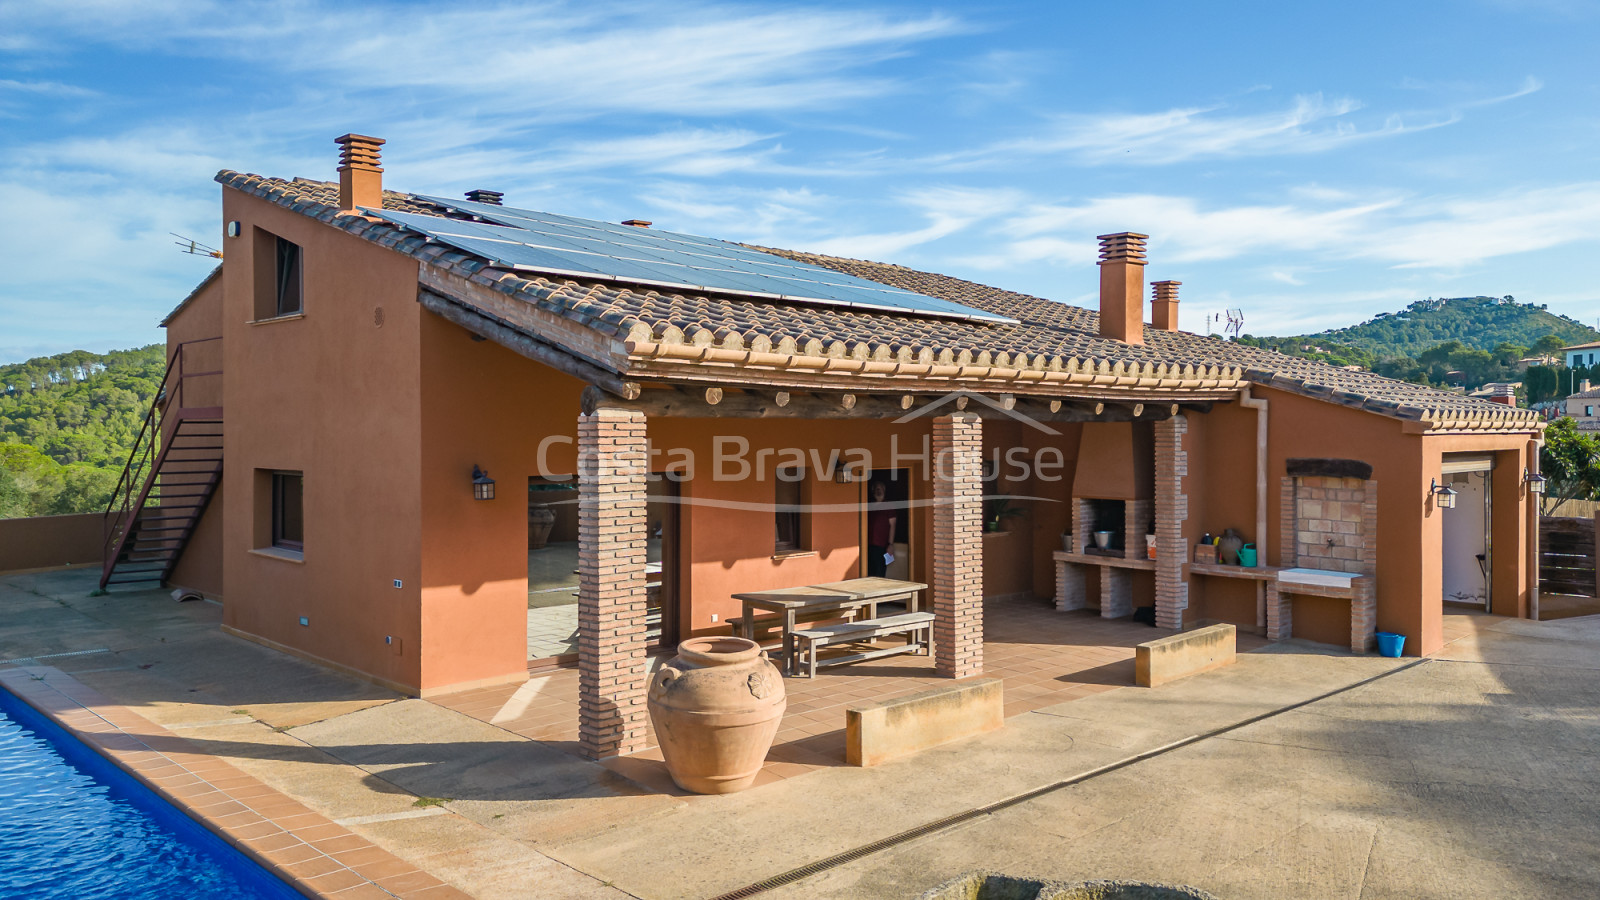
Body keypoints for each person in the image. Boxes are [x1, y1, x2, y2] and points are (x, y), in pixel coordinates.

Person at [866, 480, 897, 578]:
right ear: (873, 490)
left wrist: (890, 544)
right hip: (868, 546)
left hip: (881, 546)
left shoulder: (888, 506)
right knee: (869, 573)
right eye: (877, 489)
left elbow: (893, 525)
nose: (879, 491)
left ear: (884, 490)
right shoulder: (869, 505)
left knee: (879, 573)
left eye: (881, 489)